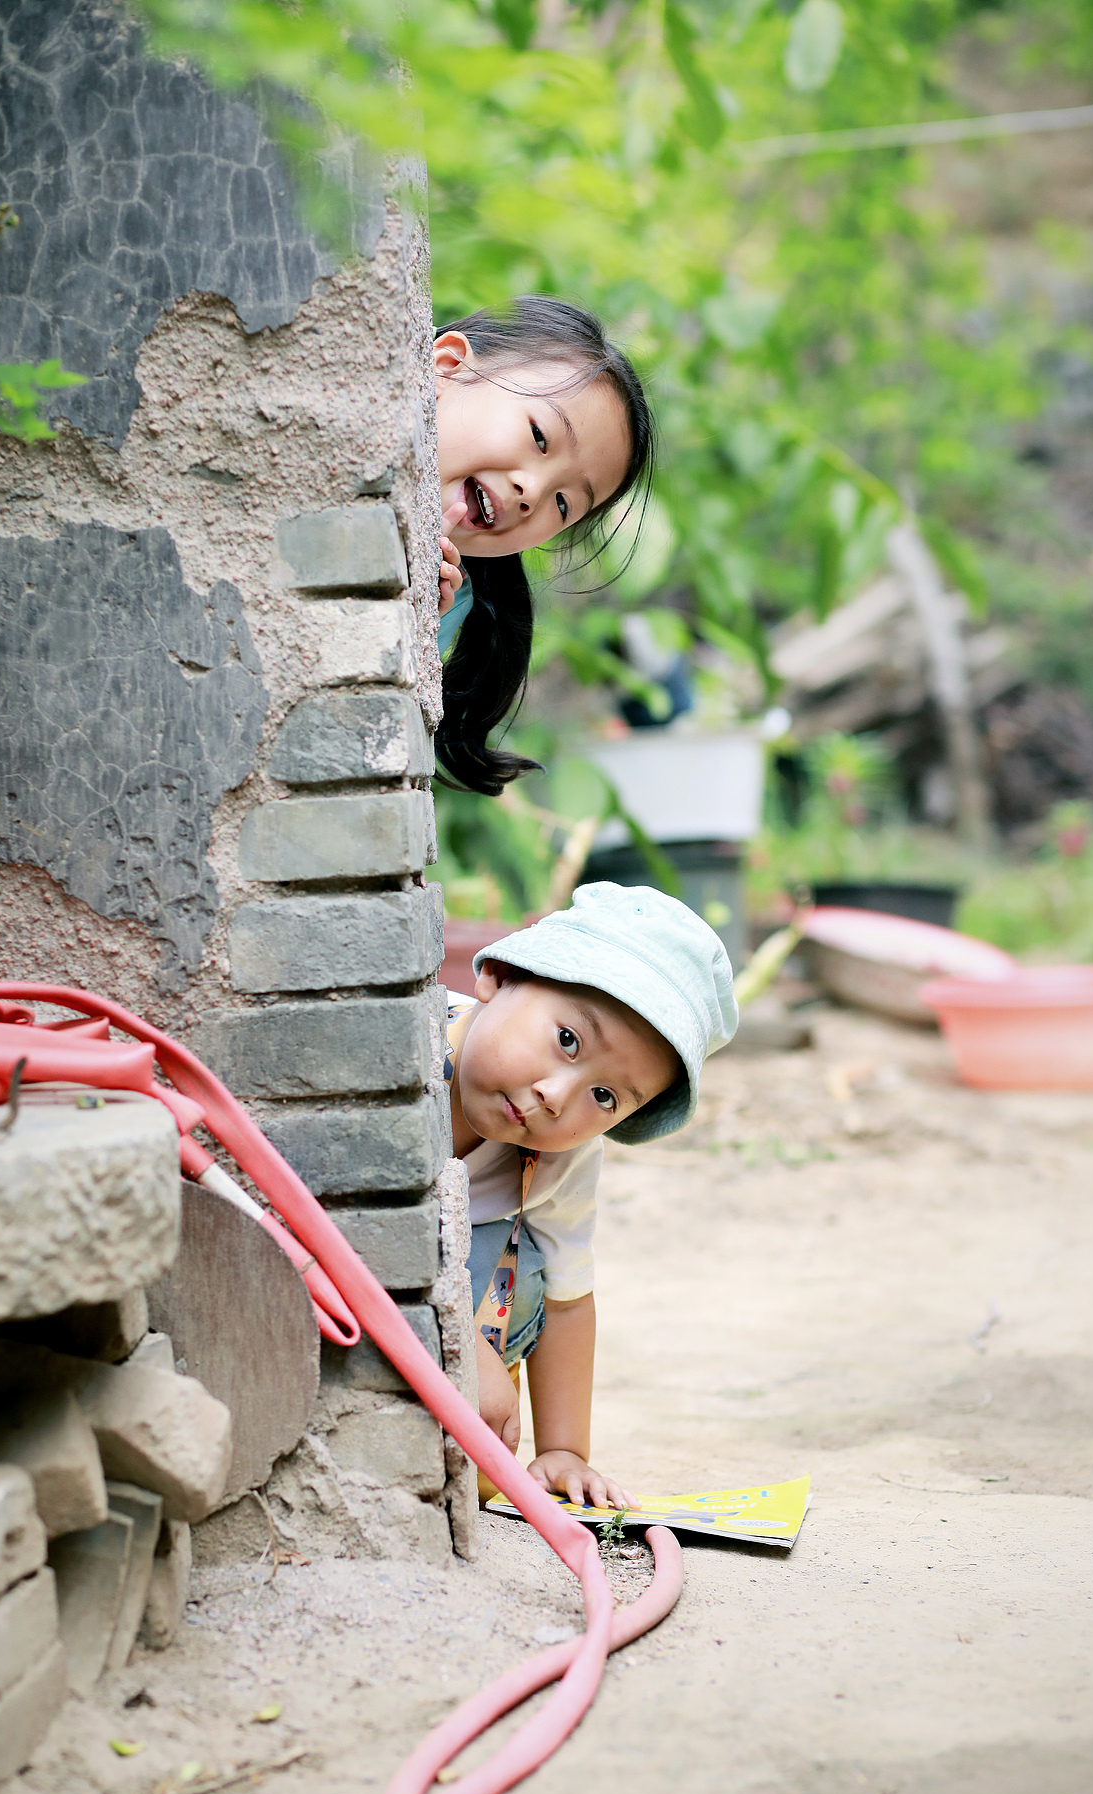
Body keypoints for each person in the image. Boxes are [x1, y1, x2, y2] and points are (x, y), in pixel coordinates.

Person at [445, 882, 737, 1509]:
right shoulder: (380, 1059)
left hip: (474, 1365)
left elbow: (569, 1301)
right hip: (349, 1305)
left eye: (605, 1097)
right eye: (569, 1041)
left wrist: (563, 1452)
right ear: (498, 974)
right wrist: (451, 1347)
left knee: (528, 1263)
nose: (558, 1095)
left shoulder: (561, 1157)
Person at [432, 298, 655, 795]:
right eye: (539, 435)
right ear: (447, 366)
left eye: (563, 502)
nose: (532, 493)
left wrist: (417, 620)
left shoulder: (450, 595)